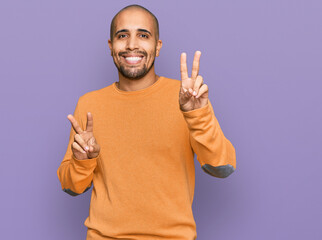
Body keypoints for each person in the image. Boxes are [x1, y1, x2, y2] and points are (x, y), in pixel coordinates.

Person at [57, 4, 236, 240]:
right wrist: (82, 161)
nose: (132, 44)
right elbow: (71, 186)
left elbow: (221, 167)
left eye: (143, 35)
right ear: (111, 47)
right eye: (123, 36)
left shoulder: (187, 97)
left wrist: (197, 116)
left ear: (158, 46)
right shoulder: (89, 104)